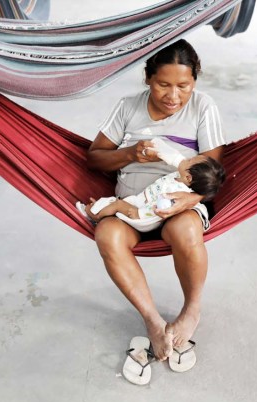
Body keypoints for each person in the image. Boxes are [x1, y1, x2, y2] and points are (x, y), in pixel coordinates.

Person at [86, 39, 227, 363]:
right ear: (148, 78)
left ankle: (192, 311)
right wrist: (130, 154)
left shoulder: (203, 107)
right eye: (163, 84)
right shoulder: (128, 107)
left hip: (180, 205)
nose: (173, 96)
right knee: (107, 235)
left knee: (186, 232)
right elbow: (94, 158)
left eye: (184, 85)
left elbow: (213, 168)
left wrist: (190, 199)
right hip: (132, 207)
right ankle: (152, 319)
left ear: (195, 83)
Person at [78, 149, 225, 233]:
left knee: (116, 204)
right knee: (112, 202)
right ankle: (97, 208)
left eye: (189, 160)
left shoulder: (175, 192)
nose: (185, 159)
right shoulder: (179, 177)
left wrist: (139, 213)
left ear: (188, 176)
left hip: (144, 216)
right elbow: (169, 155)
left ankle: (94, 217)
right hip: (140, 201)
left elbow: (160, 208)